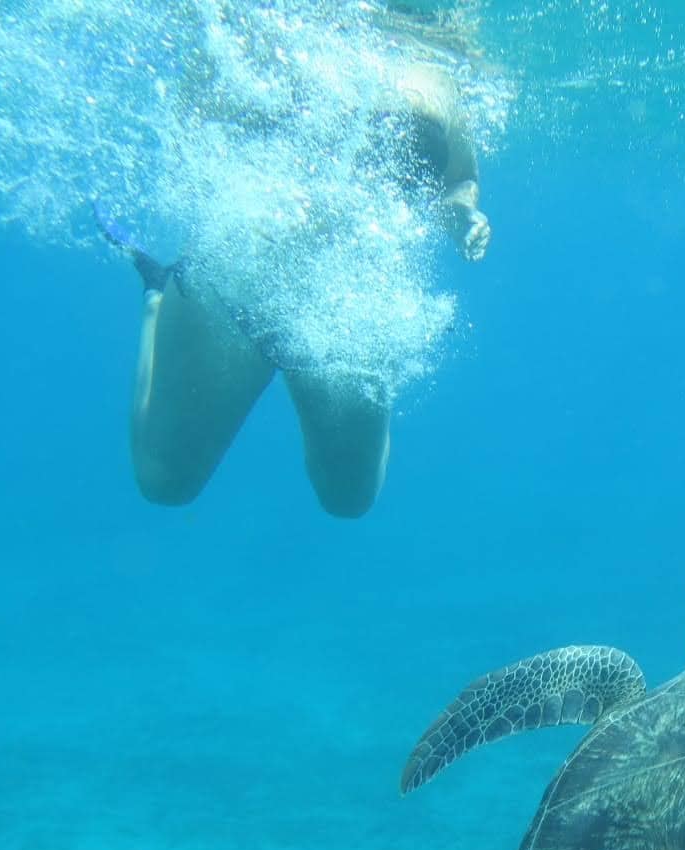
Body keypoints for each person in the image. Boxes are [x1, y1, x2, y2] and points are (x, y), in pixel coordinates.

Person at [109, 7, 491, 518]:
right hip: (230, 292)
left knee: (350, 498)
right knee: (164, 481)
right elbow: (188, 125)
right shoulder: (259, 28)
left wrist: (463, 214)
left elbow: (459, 175)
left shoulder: (437, 67)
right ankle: (157, 296)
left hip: (350, 317)